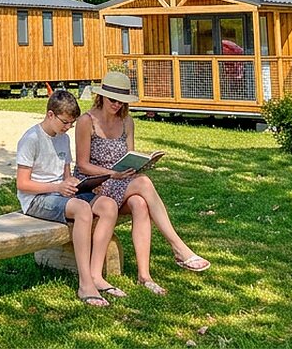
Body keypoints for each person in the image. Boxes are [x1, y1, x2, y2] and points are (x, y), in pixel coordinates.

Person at [74, 70, 210, 295]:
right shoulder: (86, 122)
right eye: (113, 100)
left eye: (121, 101)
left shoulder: (127, 121)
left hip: (121, 182)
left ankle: (144, 276)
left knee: (140, 203)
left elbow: (130, 156)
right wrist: (111, 173)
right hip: (96, 184)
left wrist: (140, 164)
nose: (117, 105)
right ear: (101, 97)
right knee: (144, 184)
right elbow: (82, 165)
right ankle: (178, 247)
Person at [17, 89, 126, 308]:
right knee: (83, 210)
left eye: (71, 124)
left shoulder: (63, 139)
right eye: (64, 122)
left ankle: (96, 275)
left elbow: (66, 175)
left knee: (107, 205)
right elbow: (22, 184)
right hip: (36, 199)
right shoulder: (31, 139)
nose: (67, 128)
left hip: (61, 194)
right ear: (50, 115)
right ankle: (85, 284)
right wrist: (58, 186)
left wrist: (78, 185)